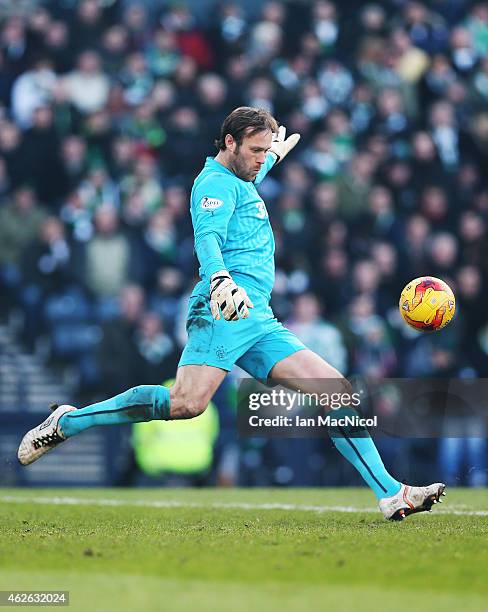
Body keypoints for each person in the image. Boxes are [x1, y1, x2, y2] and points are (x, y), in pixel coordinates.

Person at [18, 107, 445, 520]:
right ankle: (69, 421)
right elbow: (207, 238)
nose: (262, 159)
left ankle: (391, 494)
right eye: (256, 151)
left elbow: (248, 180)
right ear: (229, 142)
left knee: (335, 391)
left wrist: (272, 157)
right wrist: (221, 280)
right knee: (186, 404)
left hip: (258, 318)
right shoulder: (212, 185)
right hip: (223, 310)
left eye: (265, 151)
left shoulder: (242, 176)